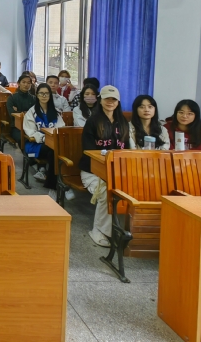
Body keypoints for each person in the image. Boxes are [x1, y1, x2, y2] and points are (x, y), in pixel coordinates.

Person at [78, 85, 130, 247]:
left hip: (116, 171)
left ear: (118, 102)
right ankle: (99, 231)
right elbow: (88, 150)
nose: (110, 102)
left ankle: (121, 230)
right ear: (100, 100)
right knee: (106, 192)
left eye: (114, 99)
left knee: (129, 191)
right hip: (93, 171)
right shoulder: (92, 121)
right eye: (107, 98)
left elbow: (127, 149)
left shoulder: (123, 122)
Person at [23, 84, 66, 200]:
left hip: (52, 146)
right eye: (41, 93)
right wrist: (45, 139)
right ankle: (59, 184)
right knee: (54, 151)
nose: (44, 96)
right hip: (35, 145)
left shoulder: (55, 112)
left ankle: (55, 186)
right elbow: (30, 131)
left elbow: (61, 128)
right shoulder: (31, 112)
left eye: (46, 93)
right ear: (37, 95)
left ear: (50, 95)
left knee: (55, 152)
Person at [7, 74, 36, 145]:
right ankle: (26, 152)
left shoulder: (34, 98)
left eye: (28, 83)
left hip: (32, 126)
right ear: (18, 83)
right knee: (24, 139)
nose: (26, 85)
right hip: (17, 127)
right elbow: (12, 114)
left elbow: (36, 113)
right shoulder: (12, 98)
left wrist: (19, 112)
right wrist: (26, 113)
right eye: (23, 82)